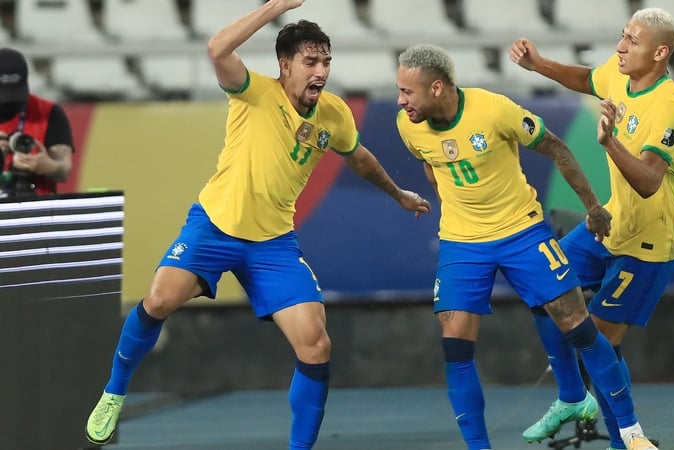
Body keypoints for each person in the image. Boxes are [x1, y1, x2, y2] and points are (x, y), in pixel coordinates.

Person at [85, 1, 431, 448]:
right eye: (310, 61)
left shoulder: (334, 114)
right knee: (158, 299)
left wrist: (399, 195)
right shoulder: (253, 91)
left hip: (272, 245)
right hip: (214, 228)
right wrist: (276, 7)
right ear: (285, 65)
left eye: (326, 61)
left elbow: (359, 158)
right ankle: (114, 391)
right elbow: (217, 48)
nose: (321, 71)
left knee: (316, 344)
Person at [395, 44, 659, 450]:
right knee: (455, 345)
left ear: (436, 88)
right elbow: (430, 163)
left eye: (407, 92)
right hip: (462, 242)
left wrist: (593, 207)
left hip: (522, 231)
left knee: (578, 325)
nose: (400, 101)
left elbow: (557, 148)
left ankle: (631, 434)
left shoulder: (494, 109)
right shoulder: (408, 124)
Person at [508, 7, 674, 450]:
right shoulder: (620, 74)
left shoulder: (670, 105)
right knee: (544, 284)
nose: (620, 47)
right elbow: (588, 77)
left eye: (632, 41)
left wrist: (610, 142)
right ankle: (573, 398)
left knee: (598, 339)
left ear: (660, 52)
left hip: (650, 240)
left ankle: (626, 439)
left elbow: (648, 182)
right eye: (622, 36)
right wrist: (540, 64)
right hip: (612, 222)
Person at [0, 47, 73, 198]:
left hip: (36, 209)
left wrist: (49, 166)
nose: (8, 104)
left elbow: (64, 168)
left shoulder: (48, 112)